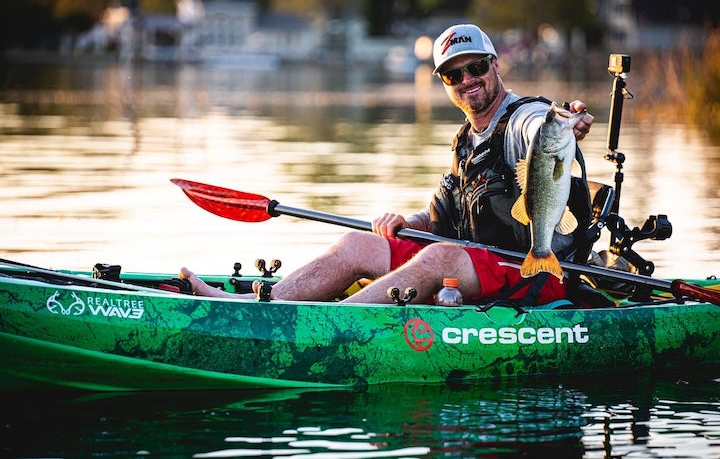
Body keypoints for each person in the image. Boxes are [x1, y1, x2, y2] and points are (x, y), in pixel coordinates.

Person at [181, 24, 595, 305]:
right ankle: (259, 305)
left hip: (529, 270)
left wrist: (566, 122)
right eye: (453, 75)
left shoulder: (527, 118)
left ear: (495, 65)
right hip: (474, 261)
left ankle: (332, 324)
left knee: (441, 258)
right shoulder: (464, 141)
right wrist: (405, 222)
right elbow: (438, 218)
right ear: (445, 85)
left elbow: (539, 124)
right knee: (356, 243)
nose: (468, 79)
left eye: (476, 67)